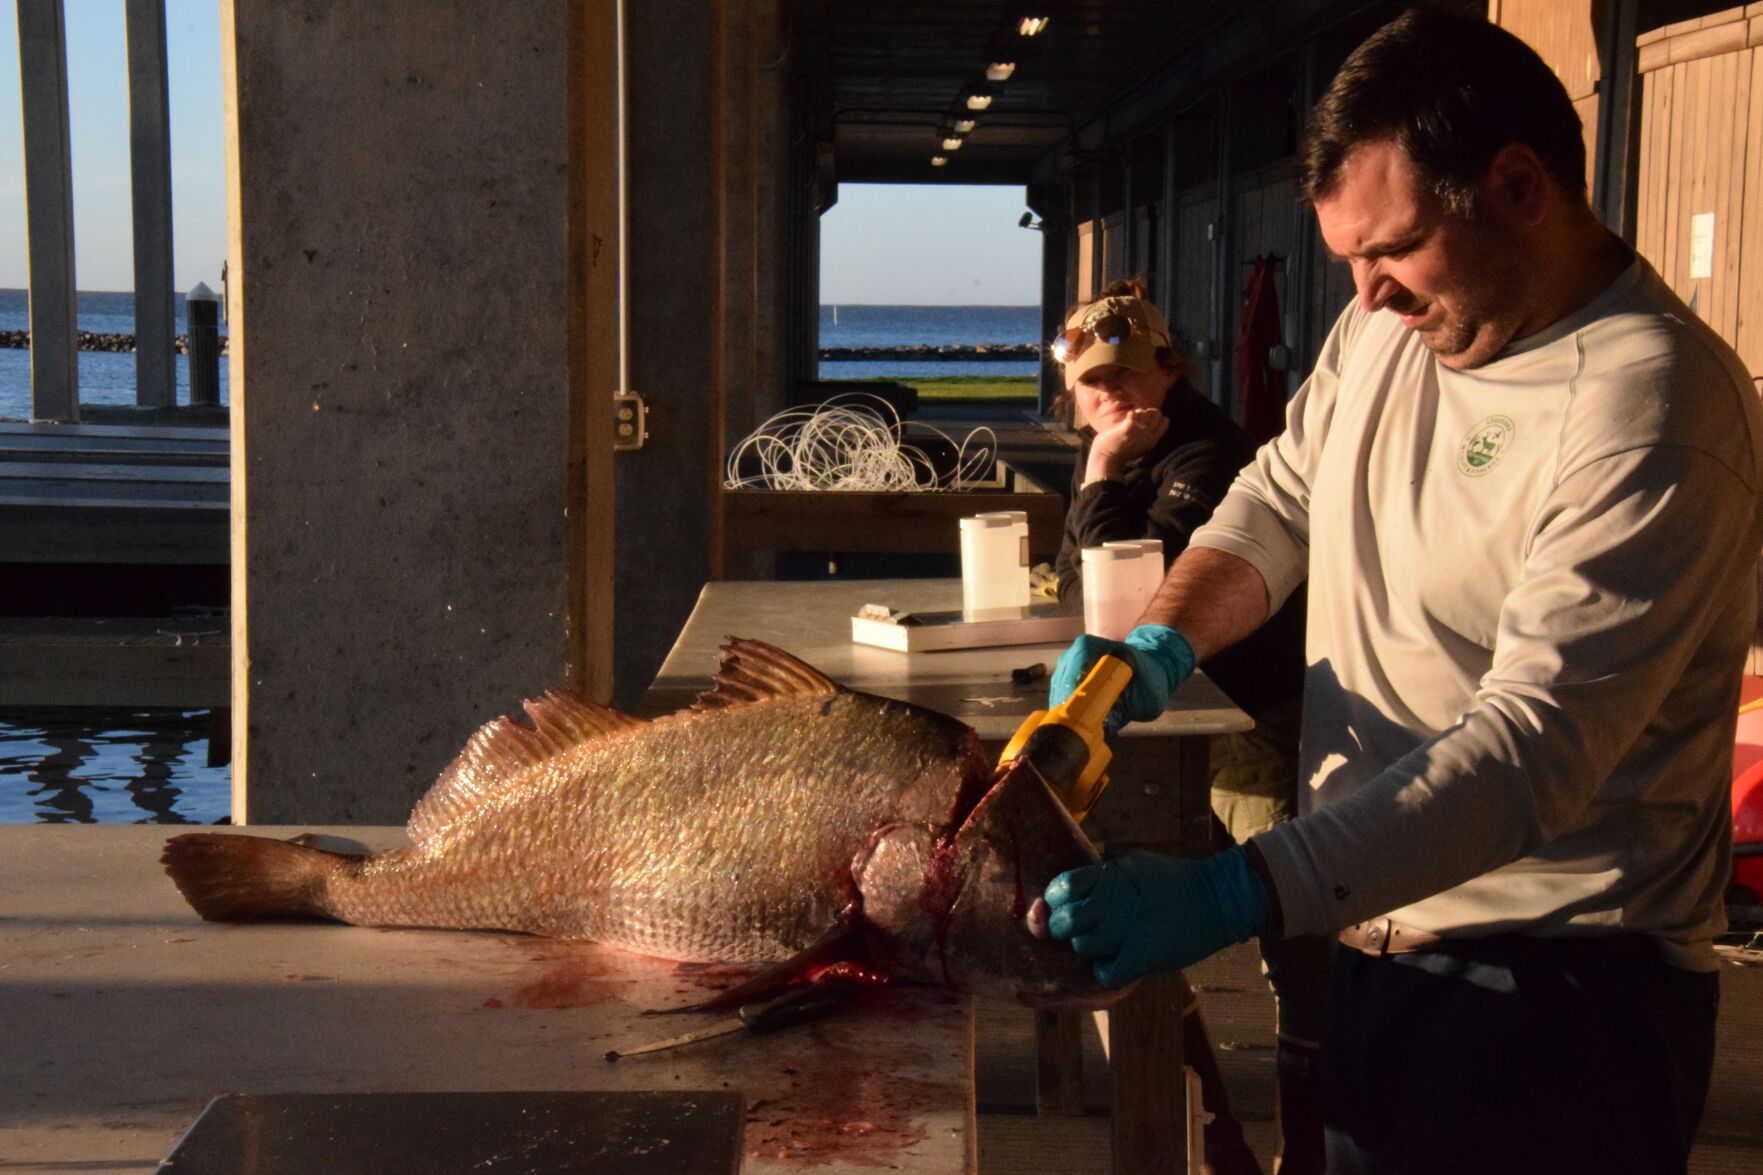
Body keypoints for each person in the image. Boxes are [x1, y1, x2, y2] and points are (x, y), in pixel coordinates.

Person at [1040, 8, 1763, 1174]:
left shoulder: (1648, 408)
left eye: (1392, 250)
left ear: (1518, 185)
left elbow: (1533, 749)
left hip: (1556, 993)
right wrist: (1157, 643)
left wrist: (1235, 887)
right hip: (1373, 936)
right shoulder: (1394, 332)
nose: (1367, 294)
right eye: (1350, 262)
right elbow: (1278, 497)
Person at [1049, 279, 1327, 1175]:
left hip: (1251, 726)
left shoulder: (1208, 456)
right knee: (1133, 932)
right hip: (1169, 729)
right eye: (1095, 382)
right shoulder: (1127, 456)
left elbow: (1134, 594)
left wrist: (1098, 480)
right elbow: (1072, 584)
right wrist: (1101, 478)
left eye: (1130, 372)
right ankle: (1216, 1143)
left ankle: (1310, 1146)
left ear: (1169, 367)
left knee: (1299, 943)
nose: (1114, 395)